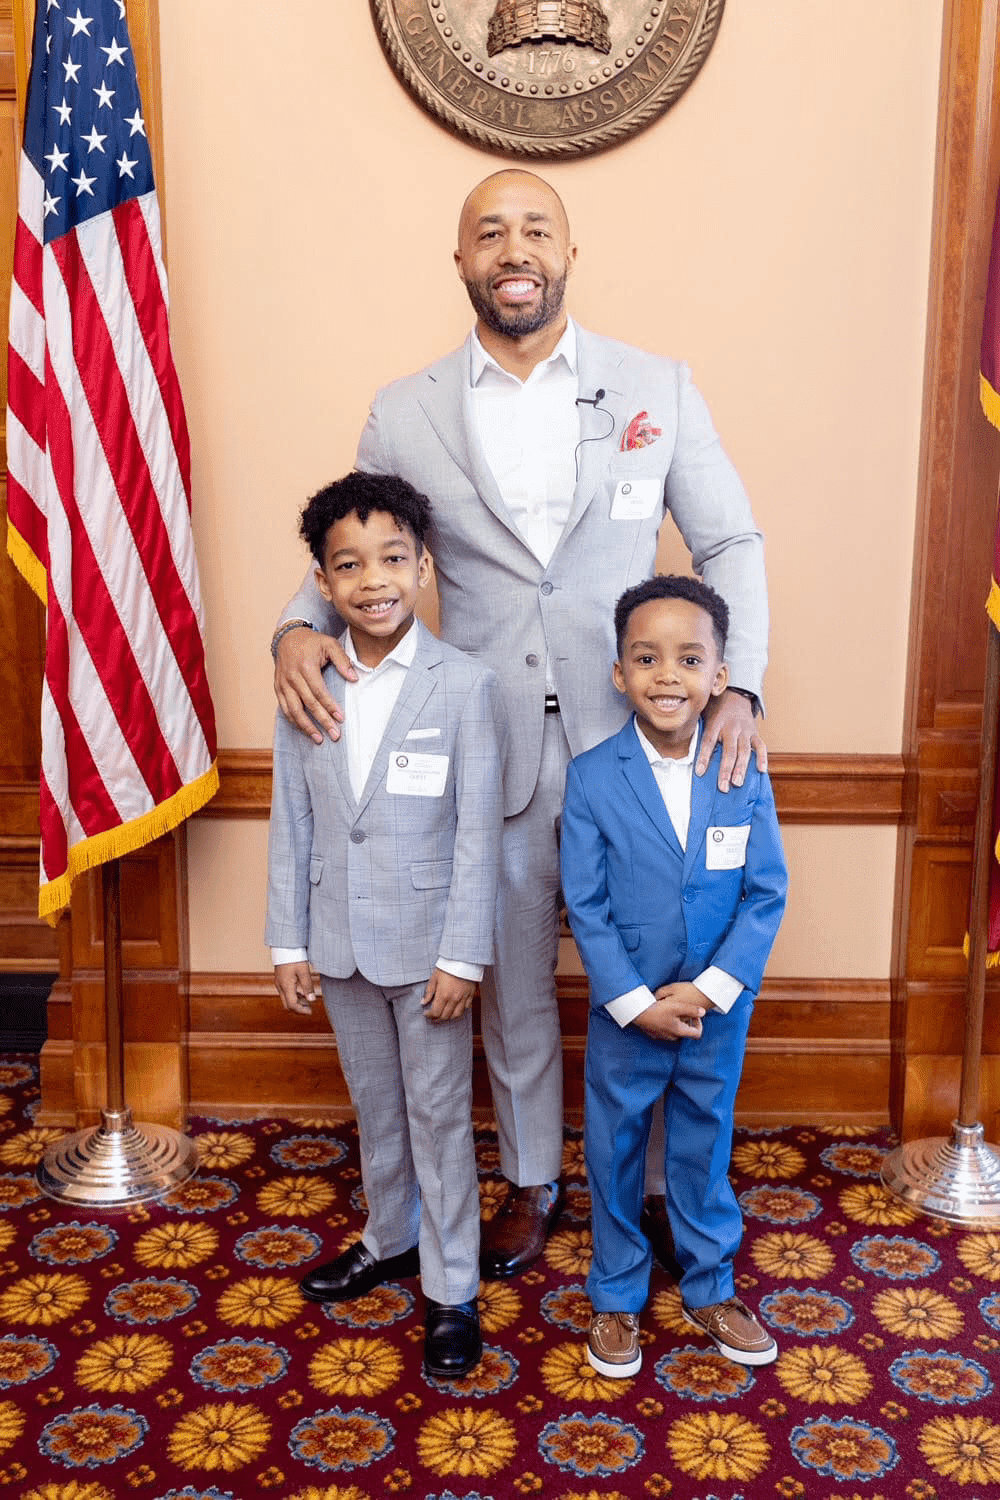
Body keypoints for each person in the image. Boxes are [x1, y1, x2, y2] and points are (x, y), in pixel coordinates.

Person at [271, 169, 769, 1278]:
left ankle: (646, 1185)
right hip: (473, 749)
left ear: (568, 253)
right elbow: (355, 541)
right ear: (459, 260)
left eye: (534, 228)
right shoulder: (405, 409)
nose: (514, 247)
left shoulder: (657, 387)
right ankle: (535, 1178)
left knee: (650, 956)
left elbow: (731, 544)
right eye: (488, 231)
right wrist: (293, 630)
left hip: (637, 748)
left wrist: (742, 688)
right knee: (505, 979)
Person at [266, 471, 504, 1379]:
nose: (374, 580)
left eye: (394, 559)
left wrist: (463, 956)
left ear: (426, 568)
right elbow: (295, 816)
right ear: (323, 584)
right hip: (340, 940)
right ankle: (390, 1234)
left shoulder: (464, 686)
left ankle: (451, 1287)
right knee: (376, 1107)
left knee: (440, 1113)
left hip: (429, 950)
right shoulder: (306, 678)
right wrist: (289, 939)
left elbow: (478, 831)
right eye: (349, 564)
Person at [560, 575, 787, 1376]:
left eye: (689, 659)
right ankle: (617, 1296)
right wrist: (632, 1002)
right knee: (614, 1148)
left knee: (703, 1142)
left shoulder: (742, 767)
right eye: (646, 658)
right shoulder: (591, 777)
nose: (667, 675)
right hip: (628, 1011)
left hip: (714, 1010)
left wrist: (712, 987)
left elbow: (766, 893)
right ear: (619, 673)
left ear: (719, 676)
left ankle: (711, 1283)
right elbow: (583, 905)